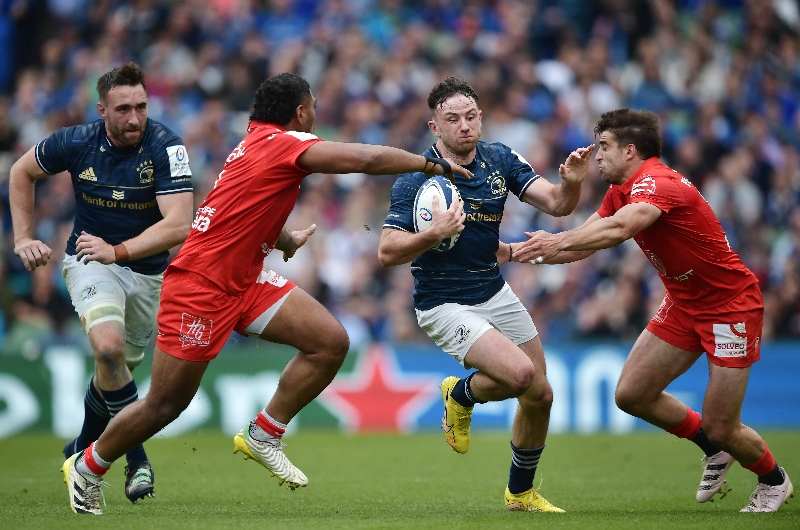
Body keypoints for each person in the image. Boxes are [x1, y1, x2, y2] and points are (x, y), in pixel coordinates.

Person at [60, 72, 472, 515]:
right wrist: (429, 164)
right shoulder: (283, 142)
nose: (315, 117)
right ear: (300, 112)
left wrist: (284, 239)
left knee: (329, 342)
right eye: (313, 109)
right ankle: (87, 466)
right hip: (201, 287)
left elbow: (242, 210)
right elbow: (365, 158)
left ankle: (264, 433)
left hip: (245, 280)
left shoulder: (255, 142)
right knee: (165, 404)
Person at [516, 108, 794, 513]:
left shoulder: (658, 182)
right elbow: (585, 242)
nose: (597, 156)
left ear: (630, 150)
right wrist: (518, 253)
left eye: (605, 146)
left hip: (729, 308)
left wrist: (556, 241)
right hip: (684, 304)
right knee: (631, 394)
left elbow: (619, 229)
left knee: (722, 425)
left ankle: (773, 479)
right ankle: (713, 448)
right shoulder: (621, 190)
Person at [378, 76, 594, 513]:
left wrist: (571, 182)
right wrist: (433, 233)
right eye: (451, 119)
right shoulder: (416, 177)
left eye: (470, 116)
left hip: (494, 289)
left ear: (481, 118)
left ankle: (520, 494)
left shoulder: (500, 159)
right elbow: (386, 251)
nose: (464, 126)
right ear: (434, 127)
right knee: (521, 376)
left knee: (541, 395)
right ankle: (461, 395)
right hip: (443, 303)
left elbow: (557, 204)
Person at [10, 62, 194, 504]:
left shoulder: (166, 146)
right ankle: (137, 461)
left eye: (141, 107)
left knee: (113, 370)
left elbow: (179, 224)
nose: (135, 118)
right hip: (90, 259)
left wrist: (121, 250)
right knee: (108, 349)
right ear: (102, 110)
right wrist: (22, 238)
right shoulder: (76, 141)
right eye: (123, 109)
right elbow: (21, 172)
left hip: (146, 274)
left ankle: (79, 449)